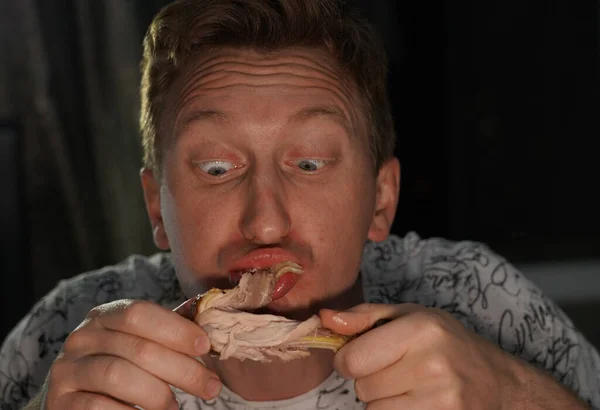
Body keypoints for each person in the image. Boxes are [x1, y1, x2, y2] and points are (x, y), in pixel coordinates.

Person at [2, 0, 599, 408]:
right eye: (216, 168)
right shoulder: (67, 323)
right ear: (157, 208)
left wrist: (511, 393)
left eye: (310, 163)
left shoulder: (475, 293)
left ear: (380, 201)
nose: (266, 221)